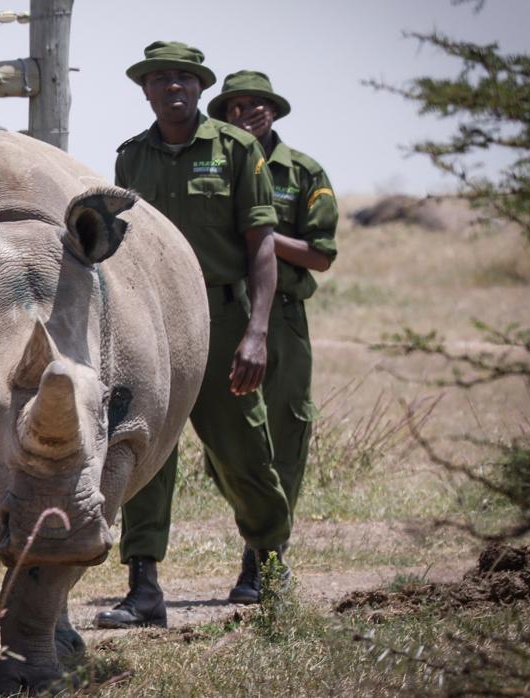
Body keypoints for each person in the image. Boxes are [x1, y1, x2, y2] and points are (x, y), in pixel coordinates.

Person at [95, 41, 286, 628]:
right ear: (145, 90)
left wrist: (255, 332)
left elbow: (263, 244)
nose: (173, 88)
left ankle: (267, 566)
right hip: (154, 323)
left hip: (224, 319)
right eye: (161, 80)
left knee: (243, 454)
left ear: (200, 88)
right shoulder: (130, 159)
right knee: (145, 450)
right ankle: (143, 587)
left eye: (184, 78)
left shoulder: (237, 150)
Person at [207, 70, 338, 600]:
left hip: (280, 317)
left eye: (257, 105)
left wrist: (260, 233)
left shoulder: (302, 171)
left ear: (275, 111)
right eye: (235, 107)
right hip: (220, 311)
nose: (247, 114)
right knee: (226, 443)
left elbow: (321, 255)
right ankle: (255, 531)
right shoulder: (214, 167)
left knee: (284, 434)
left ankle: (262, 561)